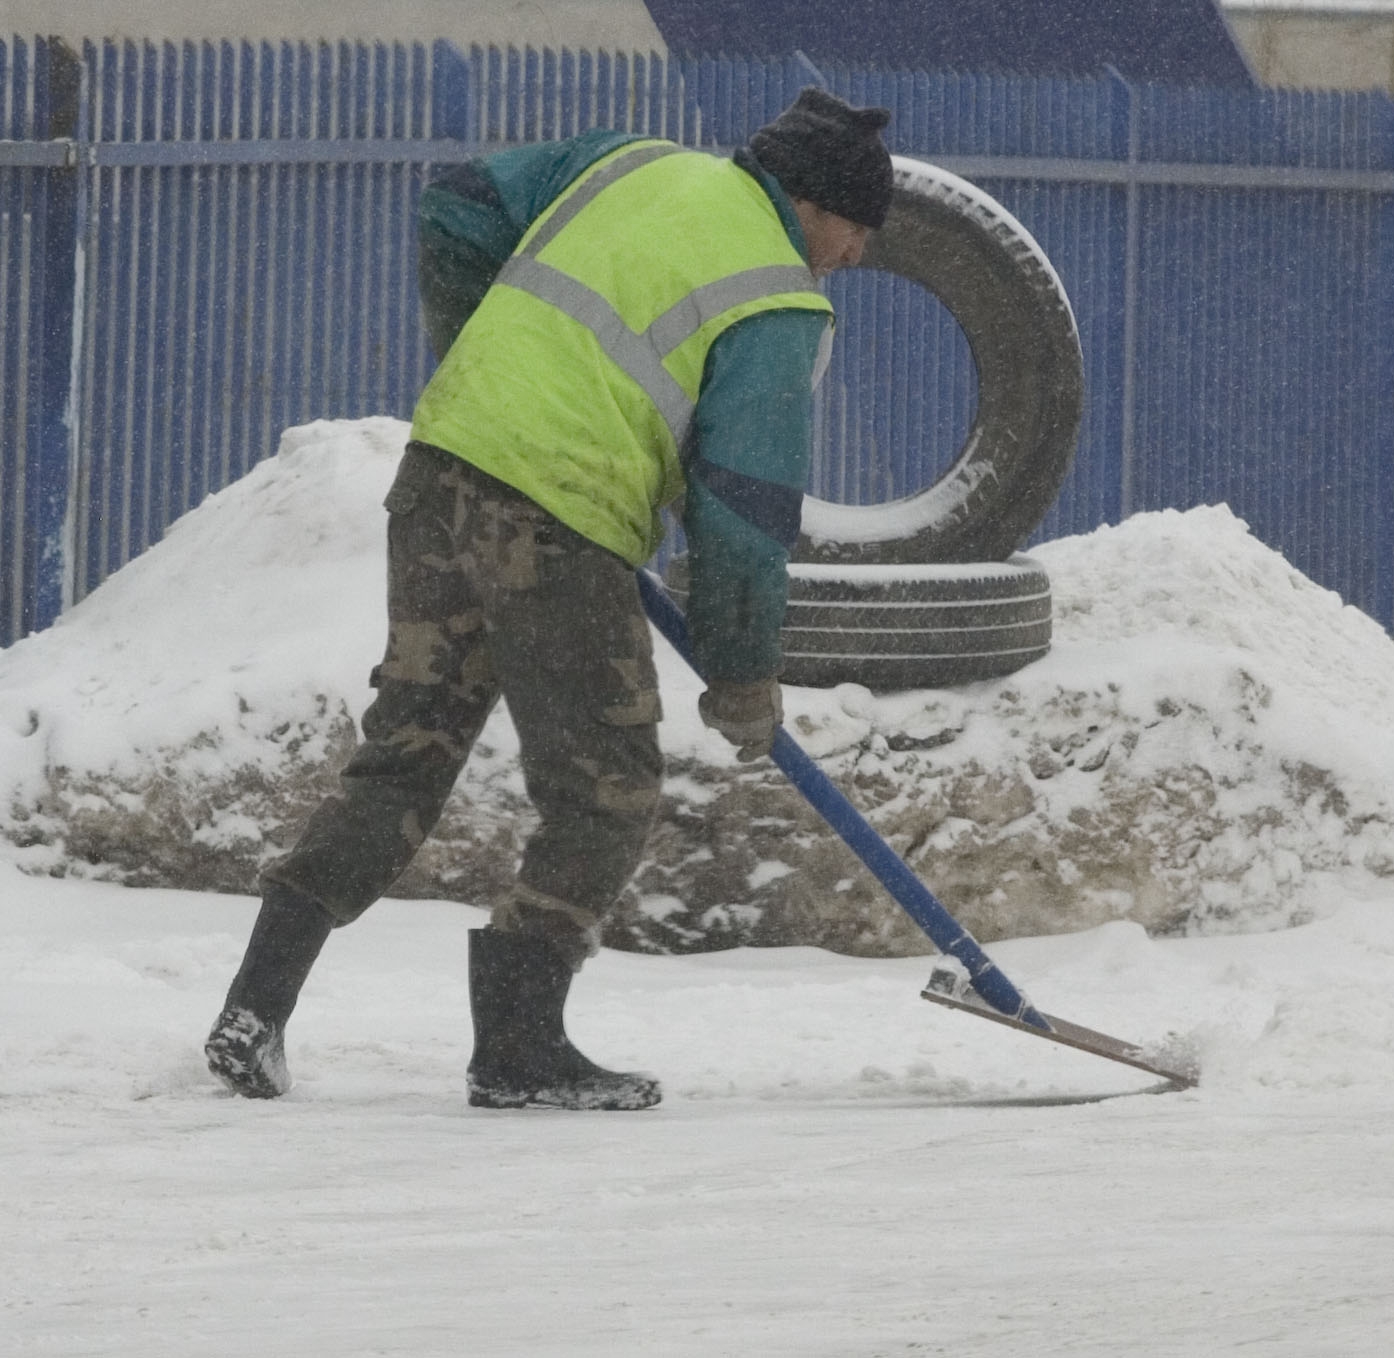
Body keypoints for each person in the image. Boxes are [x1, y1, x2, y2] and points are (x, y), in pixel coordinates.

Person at [203, 88, 895, 1111]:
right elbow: (744, 515)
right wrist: (745, 673)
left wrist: (481, 361)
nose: (855, 256)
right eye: (855, 231)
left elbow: (457, 203)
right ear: (810, 202)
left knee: (408, 749)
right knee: (603, 785)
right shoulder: (775, 297)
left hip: (442, 472)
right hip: (556, 521)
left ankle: (251, 1010)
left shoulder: (630, 162)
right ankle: (519, 1046)